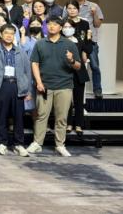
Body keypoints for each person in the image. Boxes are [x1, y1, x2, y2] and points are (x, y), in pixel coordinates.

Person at [28, 16, 81, 157]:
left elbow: (78, 66)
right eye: (49, 24)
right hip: (44, 86)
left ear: (61, 27)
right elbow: (34, 63)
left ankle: (60, 145)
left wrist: (71, 60)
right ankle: (37, 143)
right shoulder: (40, 44)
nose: (52, 26)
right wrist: (39, 82)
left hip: (64, 86)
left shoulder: (69, 44)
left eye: (55, 24)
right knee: (41, 116)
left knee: (61, 117)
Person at [0, 24, 31, 157]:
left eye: (11, 33)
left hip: (17, 85)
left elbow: (27, 71)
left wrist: (28, 90)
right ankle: (2, 143)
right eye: (6, 33)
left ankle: (18, 144)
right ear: (1, 34)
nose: (9, 36)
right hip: (3, 84)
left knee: (18, 116)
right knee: (2, 115)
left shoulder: (20, 51)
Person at [71, 0, 104, 99]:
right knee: (72, 66)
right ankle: (72, 90)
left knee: (94, 66)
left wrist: (94, 14)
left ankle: (97, 90)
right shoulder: (69, 6)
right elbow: (64, 22)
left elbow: (97, 24)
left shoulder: (93, 6)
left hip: (90, 42)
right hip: (74, 43)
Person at [63, 3, 92, 133]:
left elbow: (88, 49)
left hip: (79, 73)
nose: (68, 29)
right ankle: (69, 124)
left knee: (79, 100)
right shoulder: (61, 40)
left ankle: (79, 124)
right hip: (65, 73)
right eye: (65, 27)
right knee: (67, 100)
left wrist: (89, 38)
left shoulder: (79, 40)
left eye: (70, 27)